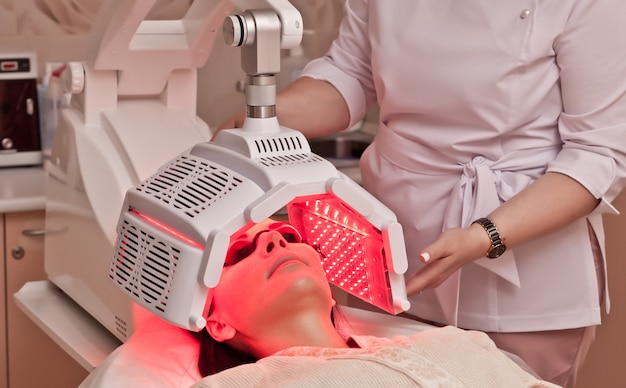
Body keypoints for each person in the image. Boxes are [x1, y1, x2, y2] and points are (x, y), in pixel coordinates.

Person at [218, 1, 626, 387]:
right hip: (392, 257)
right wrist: (263, 118)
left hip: (523, 276)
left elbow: (598, 153)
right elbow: (351, 74)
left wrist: (486, 235)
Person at [191, 218, 558, 387]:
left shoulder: (457, 341)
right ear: (216, 322)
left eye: (288, 233)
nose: (276, 241)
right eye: (238, 251)